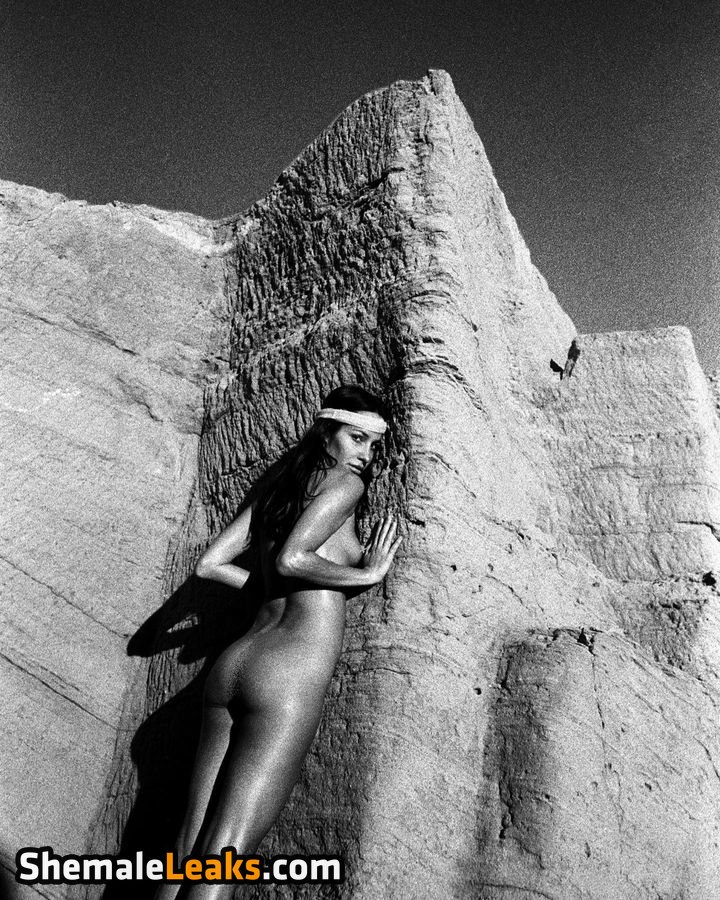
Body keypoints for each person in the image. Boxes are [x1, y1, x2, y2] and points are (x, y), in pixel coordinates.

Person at [155, 385, 401, 899]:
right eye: (356, 438)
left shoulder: (278, 484)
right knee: (223, 856)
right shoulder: (345, 486)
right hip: (288, 670)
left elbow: (210, 565)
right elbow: (293, 558)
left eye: (374, 445)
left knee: (185, 849)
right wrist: (367, 574)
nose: (365, 455)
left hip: (234, 664)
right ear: (326, 431)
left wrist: (269, 588)